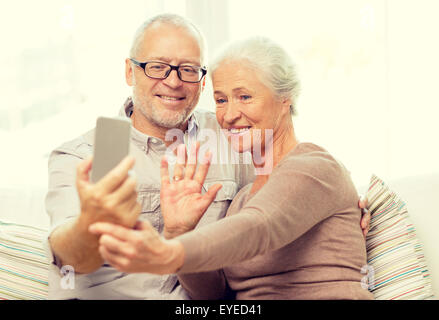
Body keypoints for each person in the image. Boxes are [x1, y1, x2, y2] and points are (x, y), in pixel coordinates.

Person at [46, 13, 370, 299]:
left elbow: (294, 186)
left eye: (187, 70)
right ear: (130, 72)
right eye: (157, 67)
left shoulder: (234, 136)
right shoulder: (93, 153)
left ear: (201, 83)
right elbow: (71, 259)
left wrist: (355, 201)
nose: (173, 81)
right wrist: (91, 223)